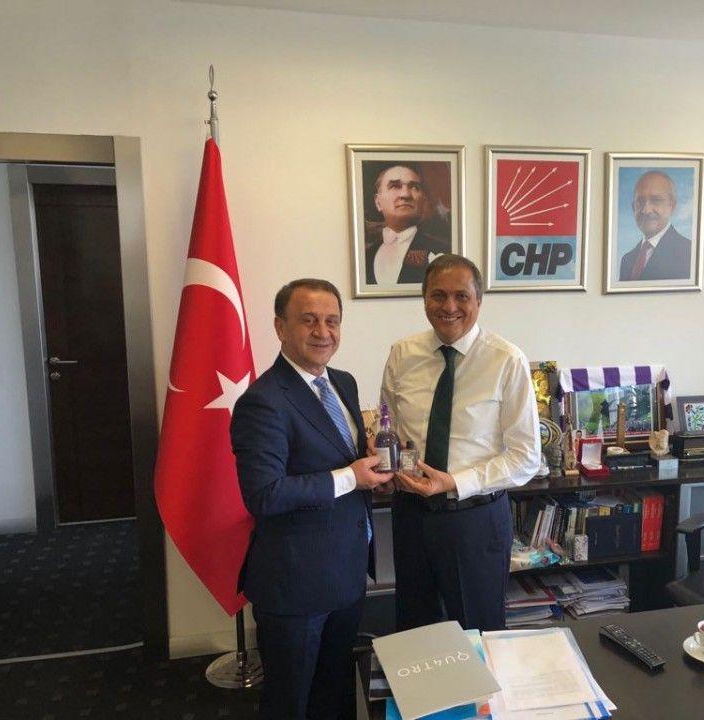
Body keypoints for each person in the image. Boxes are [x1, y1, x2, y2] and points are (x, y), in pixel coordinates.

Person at [231, 279, 393, 720]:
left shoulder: (343, 382)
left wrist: (373, 471)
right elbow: (264, 494)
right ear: (280, 327)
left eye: (332, 321)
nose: (323, 332)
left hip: (346, 572)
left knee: (334, 692)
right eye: (309, 320)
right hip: (295, 585)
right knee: (289, 702)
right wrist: (351, 476)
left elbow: (341, 456)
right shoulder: (263, 402)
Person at [381, 254, 541, 631]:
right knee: (417, 634)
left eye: (461, 296)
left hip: (474, 521)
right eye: (438, 295)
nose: (449, 307)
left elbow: (525, 457)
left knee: (479, 633)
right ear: (424, 299)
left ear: (478, 301)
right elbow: (393, 429)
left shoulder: (506, 360)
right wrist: (391, 467)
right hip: (412, 518)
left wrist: (454, 482)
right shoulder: (402, 354)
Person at [365, 164, 450, 287]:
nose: (405, 194)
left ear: (423, 201)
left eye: (414, 187)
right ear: (378, 202)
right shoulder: (366, 256)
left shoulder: (444, 250)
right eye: (395, 186)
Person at [618, 170, 692, 281]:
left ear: (672, 206)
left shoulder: (689, 253)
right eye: (640, 201)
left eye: (656, 200)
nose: (646, 210)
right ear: (633, 207)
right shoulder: (627, 260)